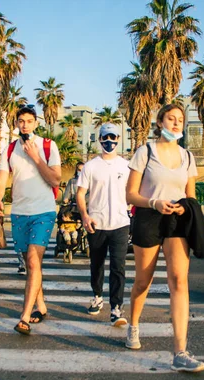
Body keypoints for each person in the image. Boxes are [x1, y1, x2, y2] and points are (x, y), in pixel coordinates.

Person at [125, 103, 204, 373]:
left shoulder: (187, 156)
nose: (176, 123)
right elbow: (130, 195)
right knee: (142, 281)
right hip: (149, 216)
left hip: (177, 221)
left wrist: (184, 206)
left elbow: (191, 196)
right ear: (159, 122)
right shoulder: (145, 151)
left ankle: (180, 351)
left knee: (179, 280)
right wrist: (154, 202)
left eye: (180, 120)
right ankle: (133, 326)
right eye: (171, 118)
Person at [0, 105, 61, 336]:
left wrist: (35, 157)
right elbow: (2, 178)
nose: (25, 125)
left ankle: (24, 317)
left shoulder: (48, 146)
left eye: (29, 121)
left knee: (33, 261)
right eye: (21, 121)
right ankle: (41, 306)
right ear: (17, 124)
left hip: (43, 211)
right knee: (31, 263)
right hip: (19, 212)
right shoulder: (10, 148)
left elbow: (55, 179)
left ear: (36, 123)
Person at [76, 123, 130, 327]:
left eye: (113, 137)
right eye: (105, 137)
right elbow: (80, 193)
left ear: (118, 138)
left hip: (120, 224)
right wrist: (85, 216)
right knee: (96, 265)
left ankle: (116, 308)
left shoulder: (126, 166)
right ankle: (97, 296)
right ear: (99, 139)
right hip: (96, 224)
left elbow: (133, 190)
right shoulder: (90, 166)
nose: (109, 141)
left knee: (118, 267)